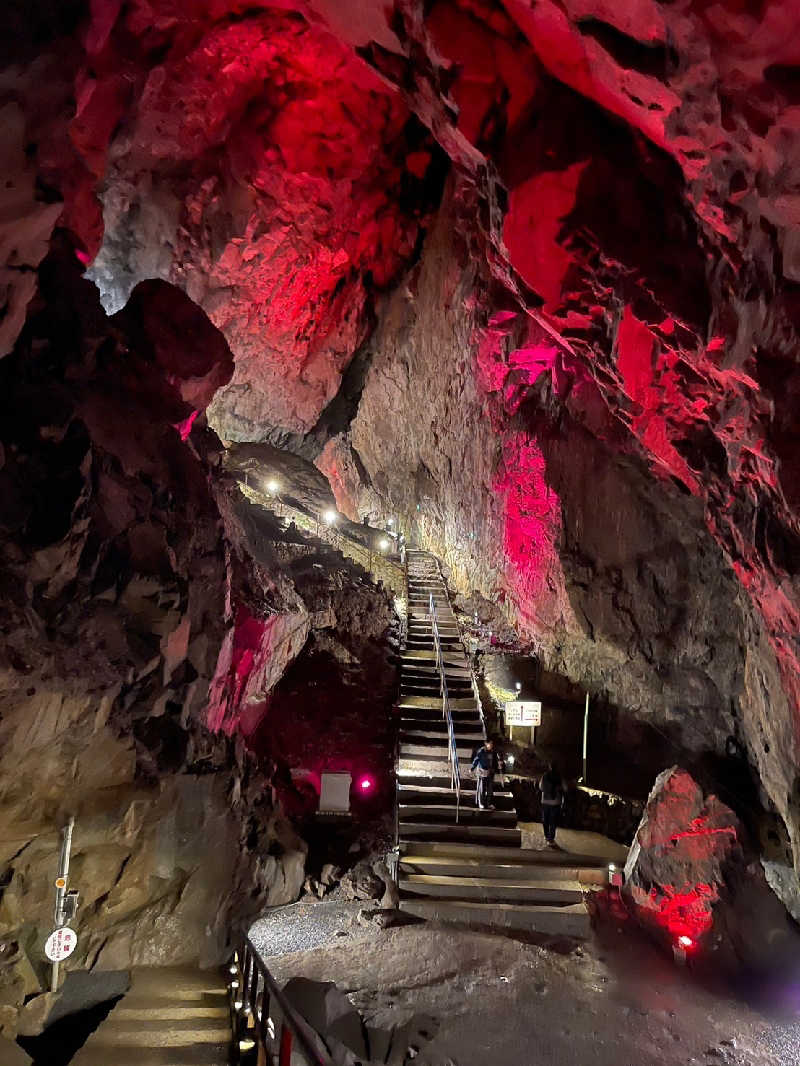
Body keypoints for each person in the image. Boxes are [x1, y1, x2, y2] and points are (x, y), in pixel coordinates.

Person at [471, 739, 504, 810]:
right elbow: (476, 760)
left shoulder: (494, 752)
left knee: (490, 790)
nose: (491, 745)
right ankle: (481, 803)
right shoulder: (481, 751)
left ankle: (489, 803)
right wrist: (472, 768)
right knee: (482, 789)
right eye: (490, 744)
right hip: (482, 773)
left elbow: (496, 762)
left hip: (490, 773)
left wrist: (499, 765)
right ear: (486, 743)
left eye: (492, 744)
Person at [539, 762, 566, 847]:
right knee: (553, 821)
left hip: (545, 801)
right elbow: (565, 788)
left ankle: (547, 836)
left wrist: (548, 789)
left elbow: (541, 787)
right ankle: (551, 839)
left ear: (549, 767)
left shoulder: (545, 775)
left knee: (545, 820)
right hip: (556, 802)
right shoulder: (560, 776)